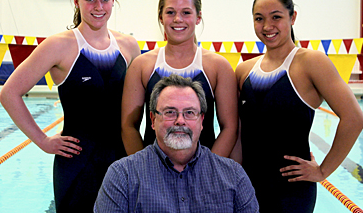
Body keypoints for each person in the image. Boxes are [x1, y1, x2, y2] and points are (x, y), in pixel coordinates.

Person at [0, 0, 140, 212]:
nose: (98, 6)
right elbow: (8, 93)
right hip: (77, 162)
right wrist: (42, 140)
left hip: (122, 159)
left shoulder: (128, 45)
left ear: (113, 1)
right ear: (76, 0)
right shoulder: (59, 45)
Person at [232, 0, 363, 213]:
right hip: (247, 185)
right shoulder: (244, 70)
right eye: (259, 18)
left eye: (276, 17)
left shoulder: (311, 62)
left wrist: (323, 171)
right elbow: (236, 130)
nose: (267, 26)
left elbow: (354, 119)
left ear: (292, 17)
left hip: (292, 190)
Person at [95, 74, 259, 212]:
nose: (180, 121)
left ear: (201, 120)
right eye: (170, 112)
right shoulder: (122, 175)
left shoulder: (233, 176)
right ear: (153, 120)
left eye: (189, 112)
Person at [121, 0, 238, 159]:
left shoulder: (218, 66)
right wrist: (144, 168)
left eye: (186, 12)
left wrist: (206, 169)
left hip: (202, 171)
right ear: (160, 17)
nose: (178, 19)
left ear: (198, 17)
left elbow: (229, 128)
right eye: (170, 12)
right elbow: (128, 125)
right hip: (154, 171)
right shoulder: (142, 65)